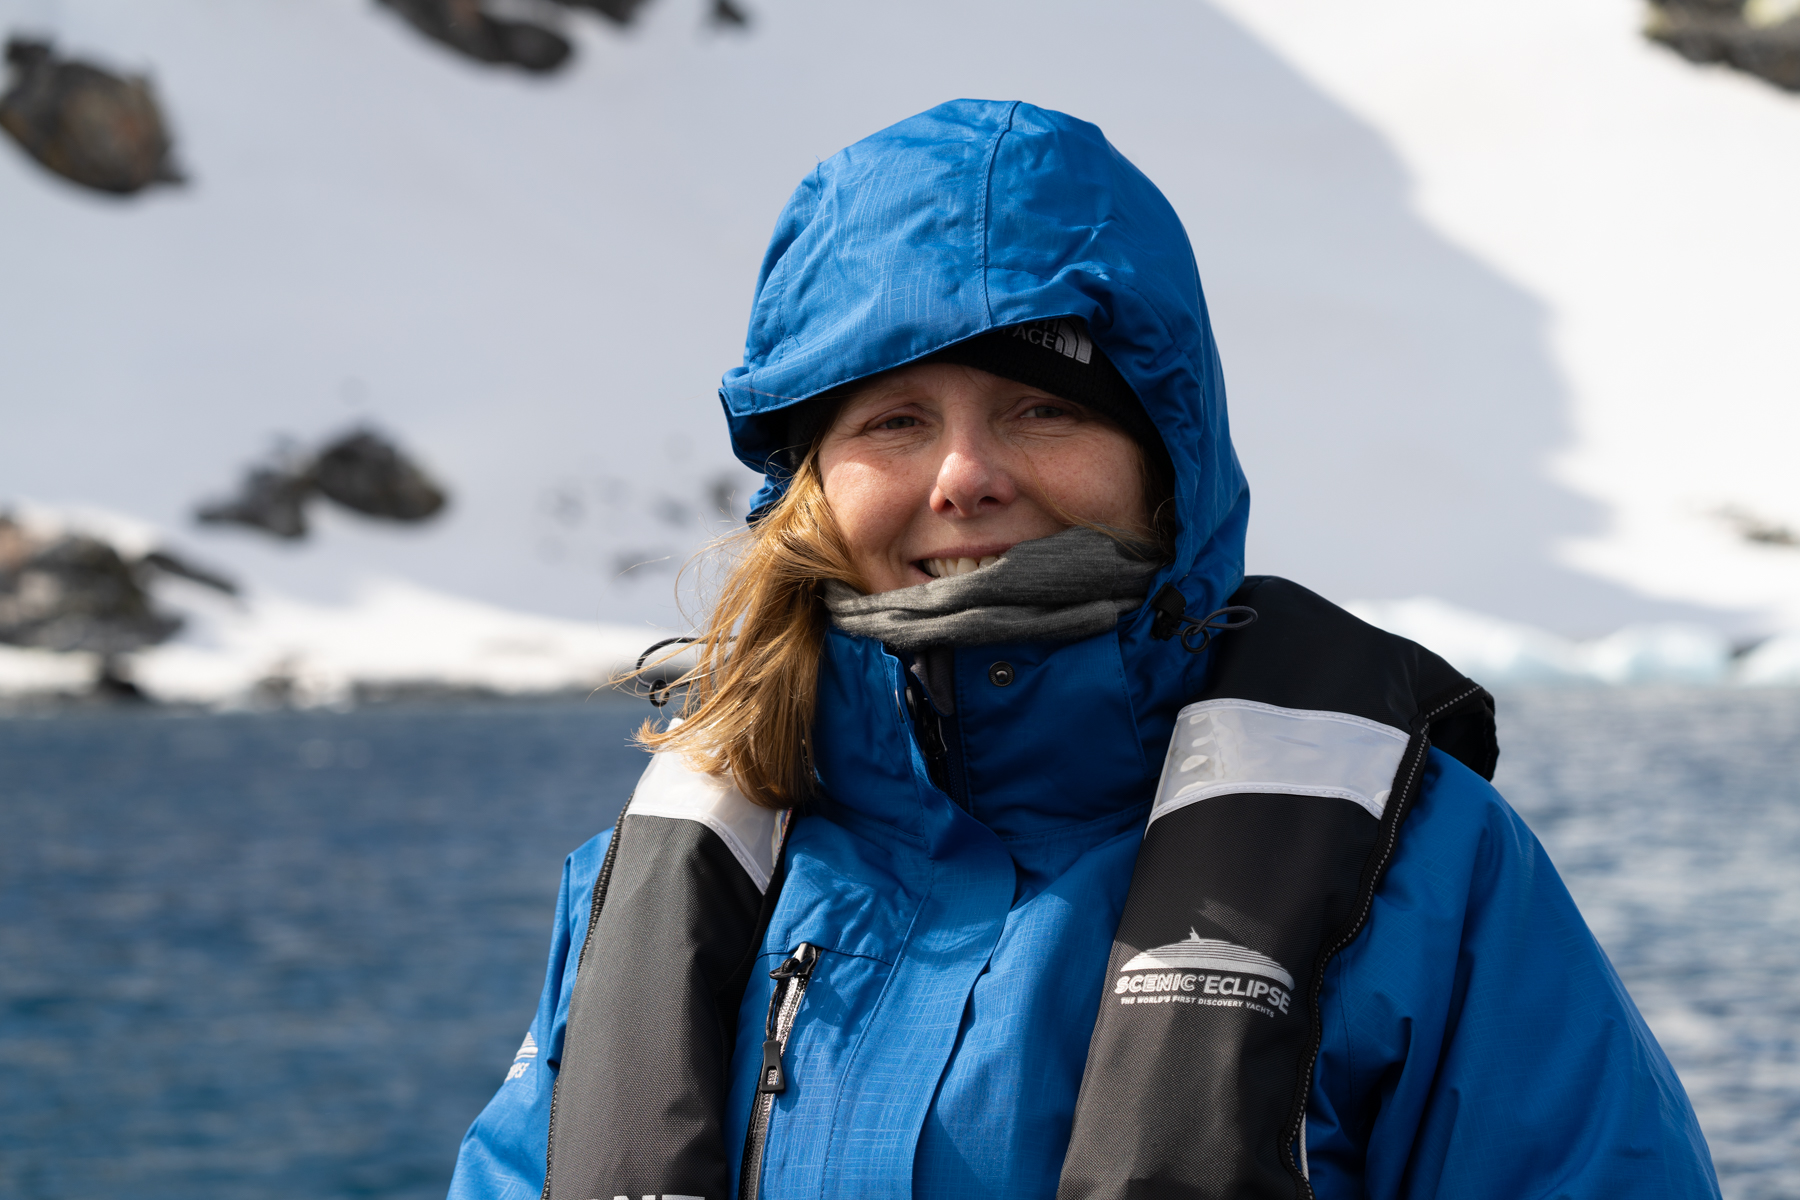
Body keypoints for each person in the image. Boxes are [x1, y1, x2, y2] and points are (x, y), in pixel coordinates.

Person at [447, 100, 1719, 1200]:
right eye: (893, 420)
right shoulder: (666, 882)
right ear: (812, 485)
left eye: (1042, 408)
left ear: (1166, 462)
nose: (965, 476)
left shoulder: (1423, 871)